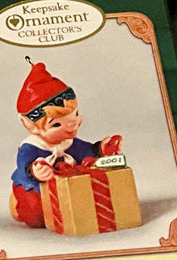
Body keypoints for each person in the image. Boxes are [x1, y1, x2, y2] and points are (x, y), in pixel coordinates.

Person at [9, 60, 122, 228]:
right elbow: (24, 164)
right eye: (56, 125)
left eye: (75, 115)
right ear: (30, 125)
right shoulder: (30, 147)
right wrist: (35, 171)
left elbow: (85, 150)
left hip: (69, 187)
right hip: (39, 187)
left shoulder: (69, 143)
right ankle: (18, 204)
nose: (73, 126)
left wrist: (101, 149)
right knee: (36, 211)